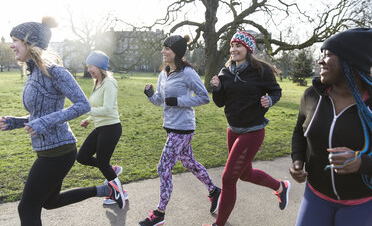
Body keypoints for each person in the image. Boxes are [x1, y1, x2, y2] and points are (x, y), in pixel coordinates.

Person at [0, 17, 125, 225]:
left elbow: (82, 105)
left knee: (27, 208)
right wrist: (14, 122)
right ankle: (106, 190)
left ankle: (108, 189)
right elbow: (40, 115)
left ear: (30, 43)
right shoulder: (32, 74)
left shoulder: (55, 72)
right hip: (49, 150)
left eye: (16, 40)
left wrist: (44, 123)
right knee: (50, 201)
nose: (11, 44)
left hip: (59, 151)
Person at [204, 31, 290, 226]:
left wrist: (270, 100)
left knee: (228, 179)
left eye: (238, 46)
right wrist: (217, 88)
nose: (234, 49)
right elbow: (220, 103)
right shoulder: (225, 72)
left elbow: (276, 91)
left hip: (253, 130)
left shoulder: (260, 70)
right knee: (245, 174)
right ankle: (280, 186)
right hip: (233, 129)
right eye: (232, 46)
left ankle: (219, 224)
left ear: (248, 49)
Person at [290, 28, 372, 226]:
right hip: (315, 197)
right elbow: (299, 133)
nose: (320, 61)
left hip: (360, 204)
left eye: (328, 55)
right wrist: (297, 159)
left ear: (350, 60)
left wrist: (362, 163)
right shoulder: (312, 95)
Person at [140, 35, 221, 226]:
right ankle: (214, 190)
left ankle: (160, 213)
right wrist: (150, 95)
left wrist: (179, 102)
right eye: (163, 48)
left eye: (167, 48)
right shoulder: (163, 73)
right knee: (189, 163)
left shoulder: (188, 73)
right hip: (170, 127)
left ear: (176, 52)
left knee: (163, 167)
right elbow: (161, 100)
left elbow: (204, 97)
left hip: (183, 128)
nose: (163, 51)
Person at [77, 50, 127, 208]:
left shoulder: (109, 82)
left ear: (100, 67)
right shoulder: (97, 82)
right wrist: (89, 119)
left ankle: (118, 194)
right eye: (88, 66)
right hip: (100, 127)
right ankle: (113, 172)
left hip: (111, 128)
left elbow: (107, 109)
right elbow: (98, 107)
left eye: (91, 66)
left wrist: (86, 111)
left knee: (102, 161)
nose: (89, 70)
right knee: (82, 157)